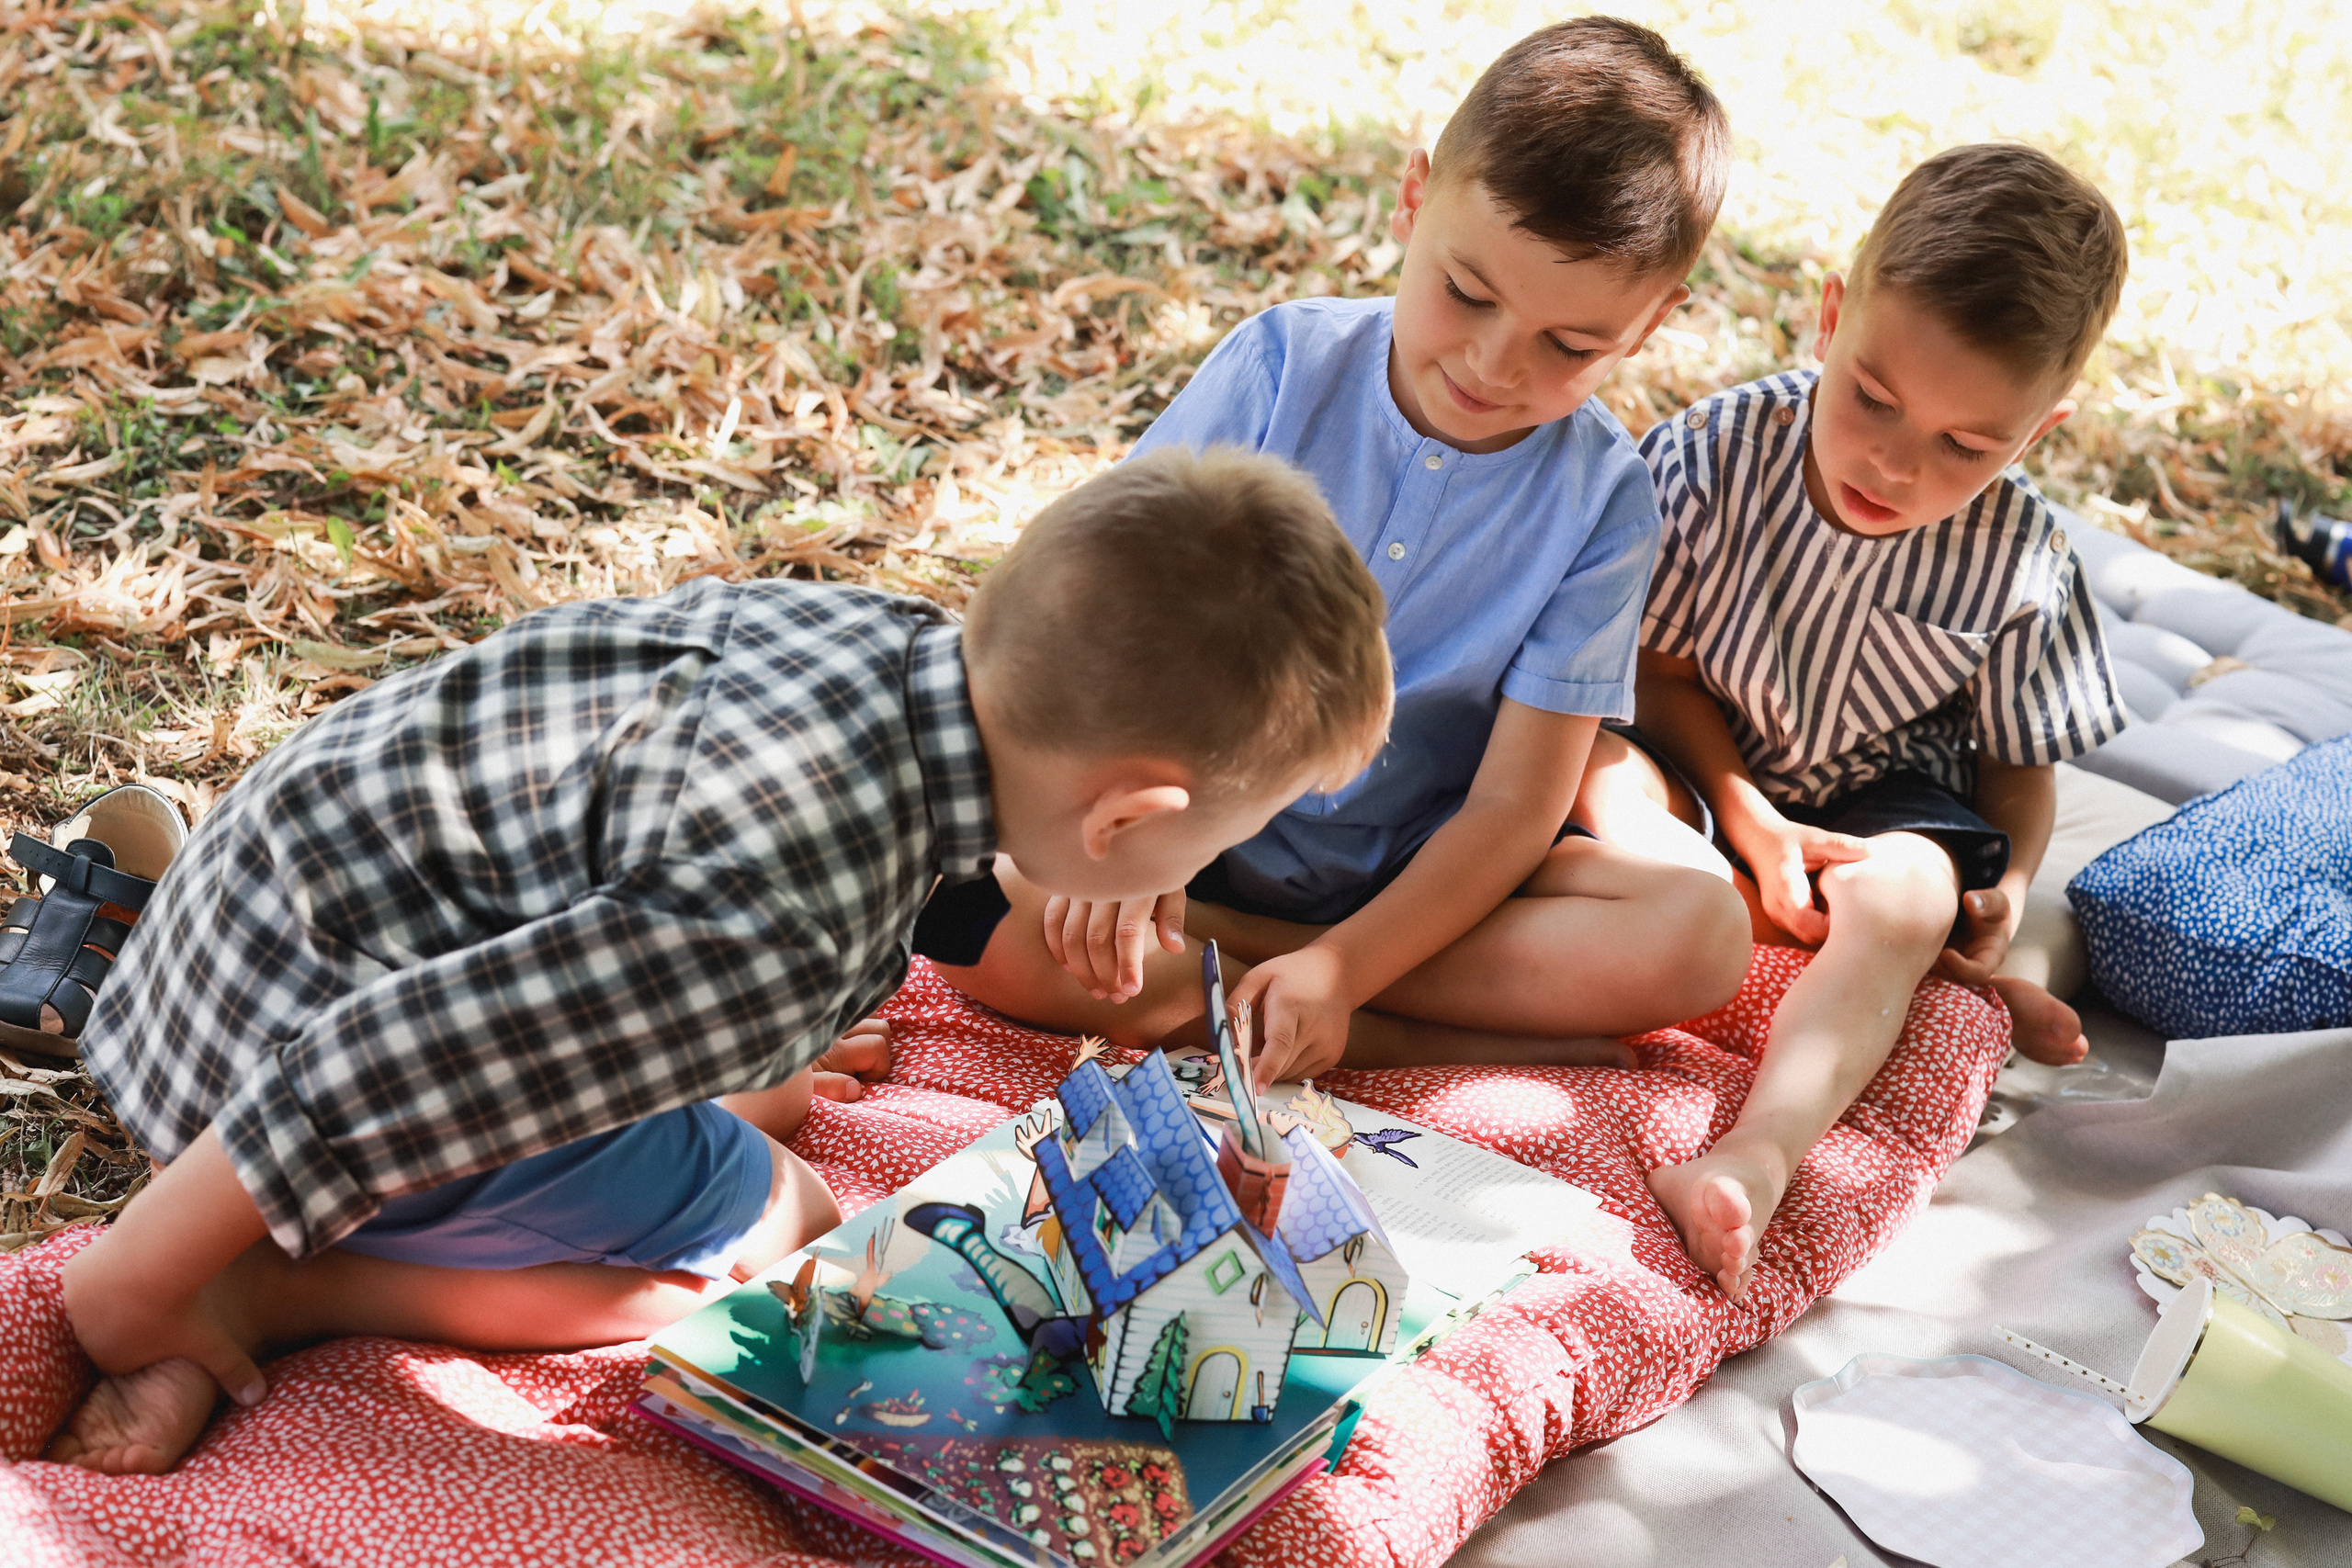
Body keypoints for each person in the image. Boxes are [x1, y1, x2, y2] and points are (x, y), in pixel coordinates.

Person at [43, 446, 1393, 1475]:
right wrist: (138, 1284)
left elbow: (612, 903)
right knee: (780, 1224)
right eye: (1219, 841)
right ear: (1130, 819)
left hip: (240, 929)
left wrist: (739, 1039)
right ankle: (282, 1284)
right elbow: (377, 1065)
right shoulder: (775, 920)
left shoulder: (879, 640)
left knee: (743, 1081)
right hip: (262, 1076)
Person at [937, 17, 1753, 1085]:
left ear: (1648, 327)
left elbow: (1515, 806)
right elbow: (1109, 611)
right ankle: (1402, 1041)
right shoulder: (1281, 366)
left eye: (1572, 345)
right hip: (1190, 839)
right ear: (1415, 199)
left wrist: (1347, 962)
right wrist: (1121, 853)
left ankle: (1284, 990)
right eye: (1467, 291)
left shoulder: (1605, 500)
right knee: (982, 921)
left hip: (1421, 888)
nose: (1494, 362)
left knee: (1700, 933)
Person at [1583, 142, 2133, 1301]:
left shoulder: (2020, 558)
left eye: (1965, 446)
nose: (1893, 459)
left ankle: (1756, 1152)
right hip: (1698, 759)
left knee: (1916, 888)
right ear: (1831, 317)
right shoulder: (1718, 454)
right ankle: (1773, 922)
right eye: (1872, 398)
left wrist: (2007, 892)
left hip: (1867, 801)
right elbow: (1657, 669)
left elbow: (2014, 767)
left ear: (2037, 430)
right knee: (1584, 768)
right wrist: (1745, 817)